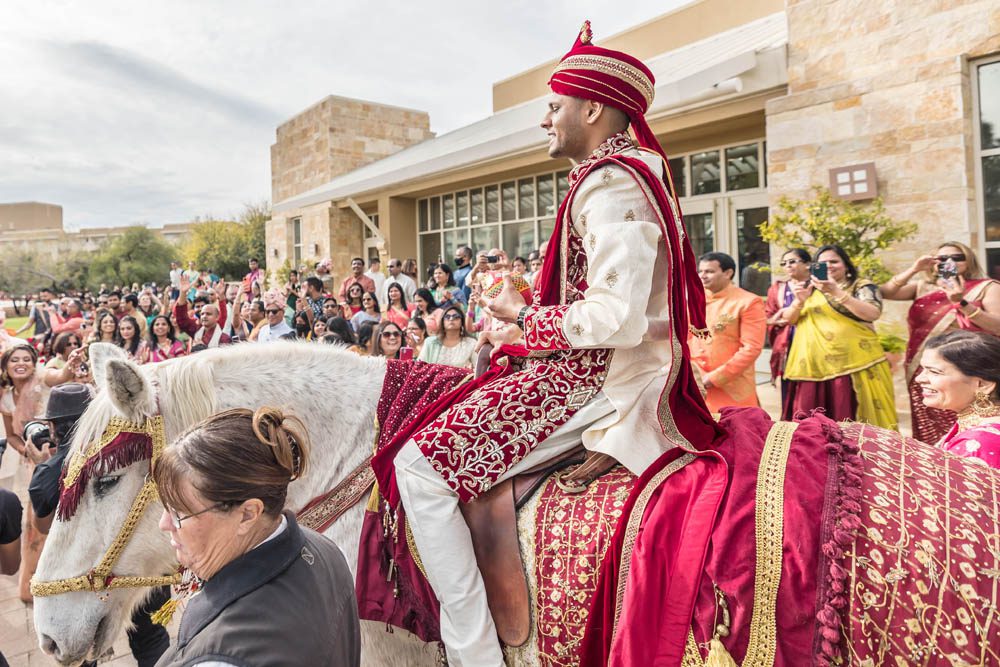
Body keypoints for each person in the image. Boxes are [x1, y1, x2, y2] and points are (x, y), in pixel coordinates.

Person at [375, 23, 718, 664]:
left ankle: (472, 651)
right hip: (589, 363)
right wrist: (526, 312)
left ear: (592, 108)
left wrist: (528, 324)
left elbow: (616, 316)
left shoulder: (611, 183)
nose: (545, 120)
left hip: (597, 381)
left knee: (416, 467)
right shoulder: (618, 175)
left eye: (554, 106)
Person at [152, 407, 361, 667]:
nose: (164, 524)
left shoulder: (224, 658)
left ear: (248, 514)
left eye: (179, 512)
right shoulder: (323, 548)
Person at [880, 241, 1000, 442]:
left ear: (968, 260)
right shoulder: (923, 287)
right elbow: (885, 292)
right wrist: (915, 268)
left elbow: (997, 326)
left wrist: (961, 303)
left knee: (966, 417)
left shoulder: (987, 287)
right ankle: (936, 463)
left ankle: (973, 458)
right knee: (927, 419)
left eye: (956, 257)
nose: (949, 262)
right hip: (923, 365)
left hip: (965, 368)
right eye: (942, 259)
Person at [781, 244, 897, 429]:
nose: (828, 266)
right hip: (812, 369)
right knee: (813, 428)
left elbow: (872, 313)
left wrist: (836, 292)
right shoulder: (809, 288)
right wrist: (798, 301)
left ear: (846, 265)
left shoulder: (860, 286)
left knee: (854, 424)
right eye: (822, 263)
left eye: (834, 261)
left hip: (855, 367)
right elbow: (789, 319)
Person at [0, 343, 51, 602]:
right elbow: (10, 435)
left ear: (34, 363)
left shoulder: (43, 383)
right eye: (14, 360)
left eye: (26, 359)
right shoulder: (6, 398)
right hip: (31, 464)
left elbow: (60, 376)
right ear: (6, 367)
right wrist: (26, 451)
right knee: (34, 523)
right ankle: (34, 580)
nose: (21, 363)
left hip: (56, 459)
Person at [688, 251, 766, 412]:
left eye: (709, 271)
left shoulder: (748, 302)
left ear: (728, 273)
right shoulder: (693, 300)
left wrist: (714, 378)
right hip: (695, 382)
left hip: (732, 387)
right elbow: (684, 340)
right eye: (700, 271)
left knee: (738, 431)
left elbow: (751, 348)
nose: (703, 275)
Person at [916, 330, 1000, 466]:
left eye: (934, 372)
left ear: (982, 385)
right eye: (923, 370)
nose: (919, 379)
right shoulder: (973, 424)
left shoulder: (980, 443)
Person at [765, 248, 812, 407]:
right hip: (788, 341)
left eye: (792, 261)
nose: (788, 266)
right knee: (790, 384)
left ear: (807, 264)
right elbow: (767, 317)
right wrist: (776, 320)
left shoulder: (819, 285)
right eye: (784, 263)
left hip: (815, 342)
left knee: (812, 386)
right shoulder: (778, 288)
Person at [174, 275, 230, 350]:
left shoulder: (223, 336)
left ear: (216, 317)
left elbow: (223, 315)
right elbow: (181, 319)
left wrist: (221, 296)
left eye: (208, 313)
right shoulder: (195, 327)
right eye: (202, 313)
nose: (204, 315)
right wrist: (183, 293)